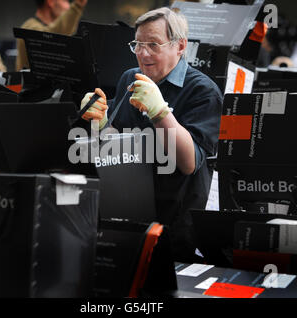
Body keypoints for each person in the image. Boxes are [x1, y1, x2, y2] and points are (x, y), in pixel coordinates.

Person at [80, 7, 222, 262]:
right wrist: (99, 122)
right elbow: (116, 140)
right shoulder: (129, 79)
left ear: (180, 46)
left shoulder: (203, 91)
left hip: (176, 221)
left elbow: (189, 162)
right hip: (132, 211)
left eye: (153, 44)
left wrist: (160, 112)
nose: (143, 53)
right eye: (138, 44)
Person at [16, 0, 88, 71]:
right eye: (64, 1)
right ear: (50, 2)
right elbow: (49, 37)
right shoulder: (29, 27)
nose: (68, 6)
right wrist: (77, 5)